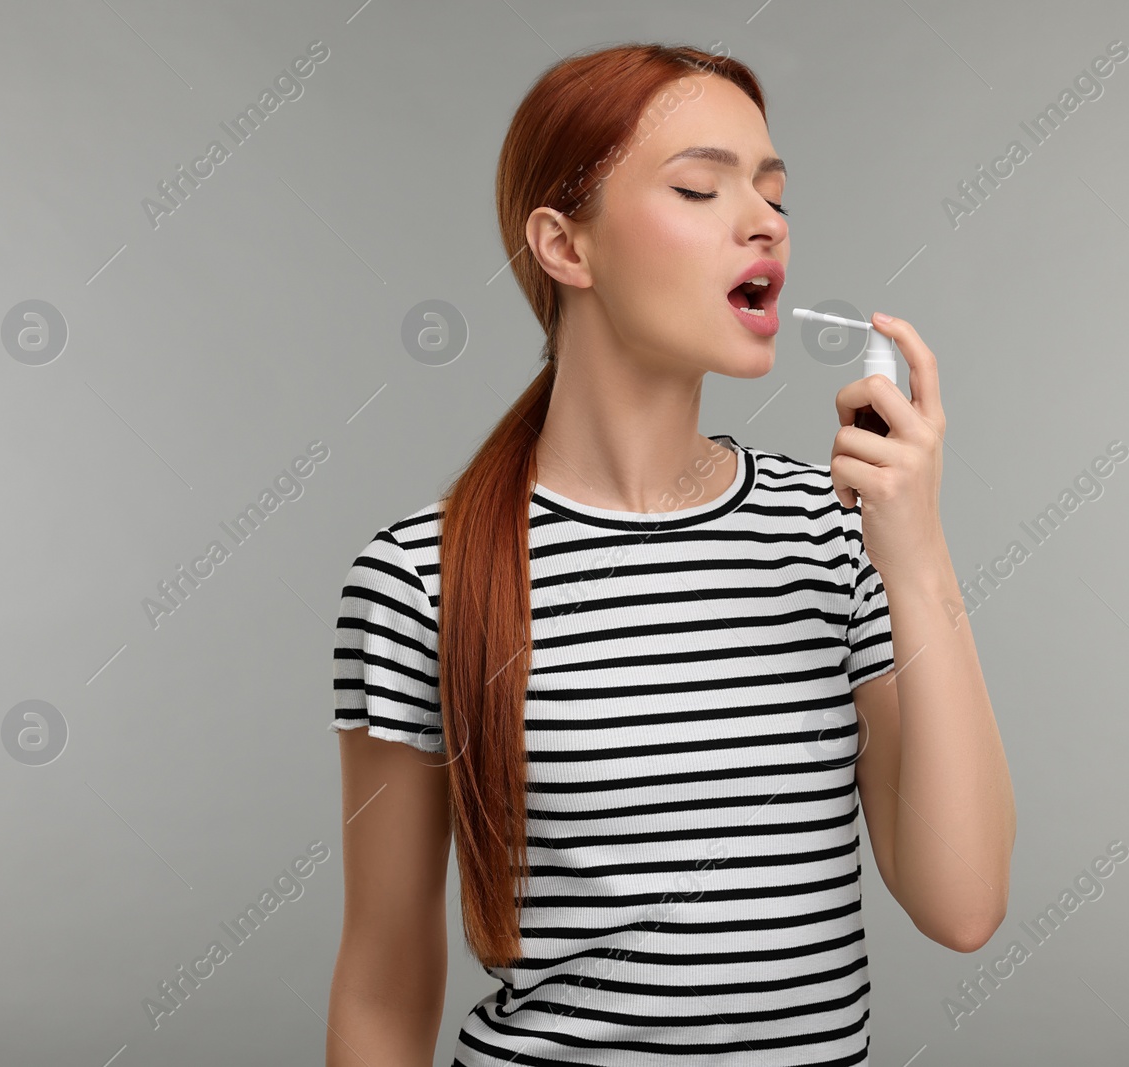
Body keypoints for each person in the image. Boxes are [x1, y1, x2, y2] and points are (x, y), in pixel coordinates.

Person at [327, 42, 1015, 1065]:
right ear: (566, 246)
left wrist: (916, 553)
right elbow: (383, 985)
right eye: (699, 186)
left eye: (773, 193)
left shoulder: (832, 529)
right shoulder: (418, 578)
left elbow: (961, 905)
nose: (764, 221)